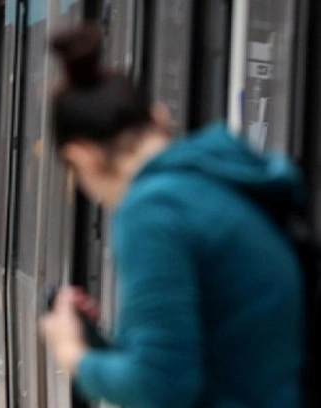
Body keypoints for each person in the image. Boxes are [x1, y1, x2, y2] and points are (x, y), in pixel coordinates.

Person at [39, 23, 302, 408]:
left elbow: (159, 385)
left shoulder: (152, 209)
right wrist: (99, 345)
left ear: (82, 157)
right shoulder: (222, 182)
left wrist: (73, 354)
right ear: (158, 118)